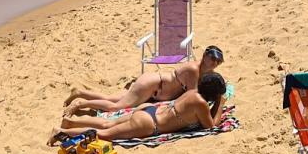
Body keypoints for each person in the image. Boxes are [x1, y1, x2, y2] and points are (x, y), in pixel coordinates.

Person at [56, 73, 228, 142]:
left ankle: (70, 123)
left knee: (106, 124)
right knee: (104, 135)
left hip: (149, 110)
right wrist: (220, 103)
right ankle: (60, 132)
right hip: (149, 123)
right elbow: (211, 126)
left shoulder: (193, 92)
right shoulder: (201, 104)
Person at [64, 46, 224, 114]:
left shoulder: (201, 70)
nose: (214, 63)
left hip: (152, 84)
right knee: (116, 107)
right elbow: (191, 96)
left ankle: (80, 92)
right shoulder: (194, 70)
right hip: (152, 86)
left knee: (111, 98)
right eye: (212, 59)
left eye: (218, 61)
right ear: (204, 56)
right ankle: (81, 104)